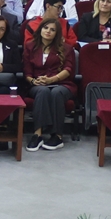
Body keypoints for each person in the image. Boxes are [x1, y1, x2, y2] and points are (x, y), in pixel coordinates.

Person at [23, 17, 75, 151]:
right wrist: (34, 81)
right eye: (46, 28)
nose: (48, 31)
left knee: (56, 92)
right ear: (40, 29)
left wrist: (52, 80)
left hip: (62, 83)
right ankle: (37, 135)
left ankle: (57, 136)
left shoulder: (66, 48)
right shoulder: (30, 46)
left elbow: (68, 70)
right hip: (37, 84)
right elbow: (27, 73)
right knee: (43, 91)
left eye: (52, 30)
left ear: (57, 33)